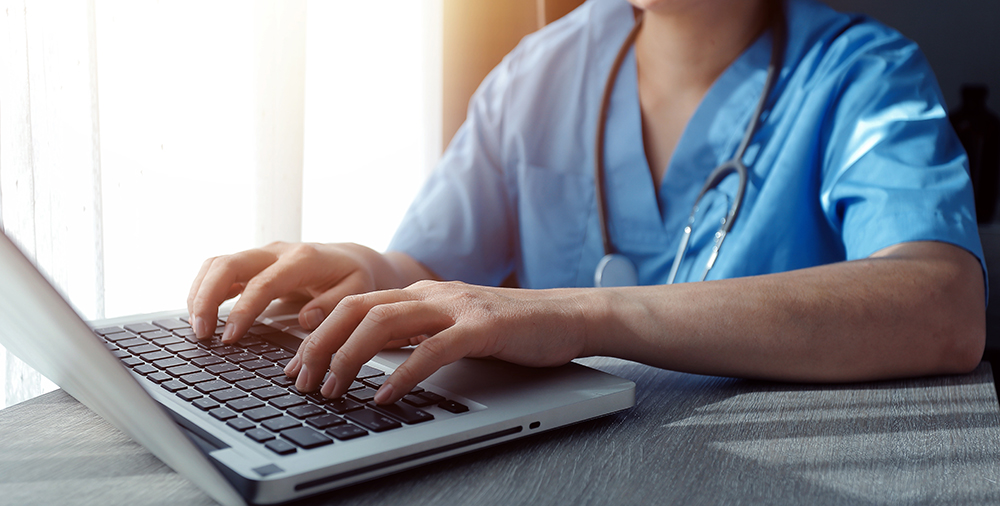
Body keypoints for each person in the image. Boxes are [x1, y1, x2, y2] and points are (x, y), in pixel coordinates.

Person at [188, 0, 987, 406]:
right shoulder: (542, 69)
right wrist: (362, 268)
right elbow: (430, 267)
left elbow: (943, 307)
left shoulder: (864, 75)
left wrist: (584, 315)